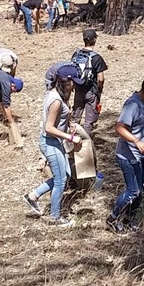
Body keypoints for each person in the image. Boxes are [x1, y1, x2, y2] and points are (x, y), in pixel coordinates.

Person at [23, 64, 84, 227]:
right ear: (67, 82)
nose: (75, 86)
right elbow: (49, 128)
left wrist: (69, 122)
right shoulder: (56, 100)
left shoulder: (58, 94)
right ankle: (55, 218)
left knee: (66, 174)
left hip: (55, 142)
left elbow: (60, 118)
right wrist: (71, 138)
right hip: (50, 142)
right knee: (60, 181)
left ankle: (33, 196)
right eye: (73, 82)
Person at [106, 71, 144, 235]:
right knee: (133, 191)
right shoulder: (132, 105)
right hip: (128, 155)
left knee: (142, 189)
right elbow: (119, 127)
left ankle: (128, 218)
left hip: (142, 155)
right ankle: (113, 218)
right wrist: (136, 141)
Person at [71, 29, 108, 136]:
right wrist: (99, 90)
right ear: (94, 40)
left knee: (76, 115)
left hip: (78, 89)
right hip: (91, 91)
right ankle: (86, 140)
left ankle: (71, 137)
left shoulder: (76, 54)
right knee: (89, 120)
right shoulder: (96, 57)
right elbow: (101, 78)